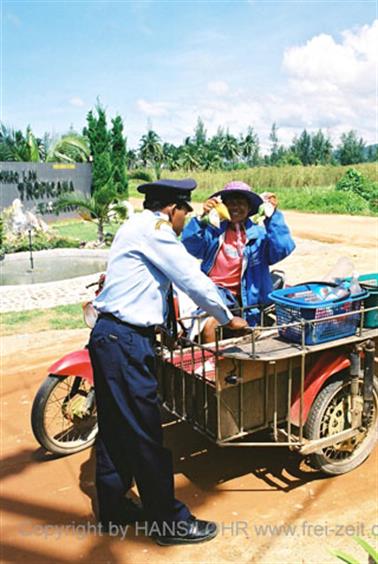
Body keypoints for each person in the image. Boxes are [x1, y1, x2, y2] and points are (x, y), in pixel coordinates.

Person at [88, 178, 247, 546]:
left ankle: (113, 508)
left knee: (115, 429)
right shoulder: (157, 230)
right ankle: (168, 523)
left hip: (111, 337)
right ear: (173, 209)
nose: (185, 221)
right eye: (185, 213)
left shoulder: (134, 226)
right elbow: (191, 277)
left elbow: (149, 286)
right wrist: (227, 318)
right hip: (125, 341)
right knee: (146, 433)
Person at [181, 180, 295, 342]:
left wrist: (273, 216)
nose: (235, 207)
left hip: (252, 297)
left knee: (252, 336)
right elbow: (189, 245)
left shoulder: (259, 234)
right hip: (217, 293)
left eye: (241, 203)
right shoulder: (213, 231)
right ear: (223, 207)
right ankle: (212, 363)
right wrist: (201, 219)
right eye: (231, 203)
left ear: (249, 209)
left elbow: (282, 248)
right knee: (209, 326)